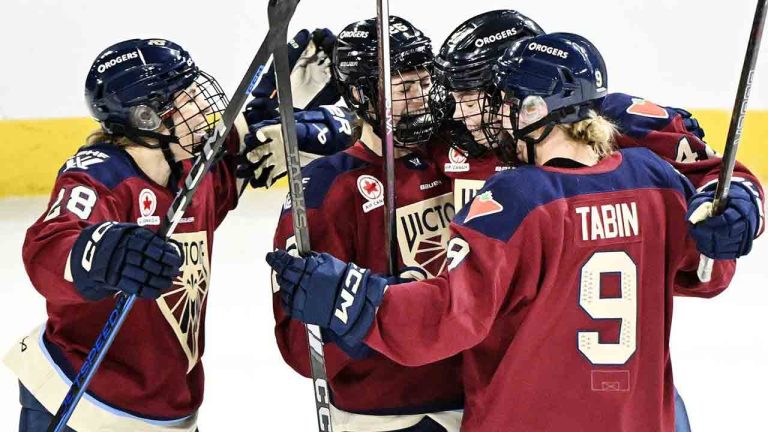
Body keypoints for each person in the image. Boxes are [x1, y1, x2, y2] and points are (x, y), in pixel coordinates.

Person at [267, 33, 764, 431]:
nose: (477, 117)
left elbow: (445, 317)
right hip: (635, 415)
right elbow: (710, 268)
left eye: (496, 102)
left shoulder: (513, 199)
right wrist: (734, 211)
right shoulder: (655, 181)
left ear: (530, 109)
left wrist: (356, 300)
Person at [4, 38, 241, 432]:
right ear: (147, 116)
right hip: (82, 400)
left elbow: (242, 153)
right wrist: (102, 251)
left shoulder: (192, 173)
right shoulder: (99, 175)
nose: (202, 106)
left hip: (167, 404)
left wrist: (285, 94)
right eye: (185, 97)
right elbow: (47, 247)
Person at [264, 16, 464, 432]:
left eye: (426, 83)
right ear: (360, 95)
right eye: (405, 88)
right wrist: (362, 308)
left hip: (473, 404)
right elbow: (302, 349)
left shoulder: (458, 160)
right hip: (379, 417)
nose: (422, 99)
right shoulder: (326, 189)